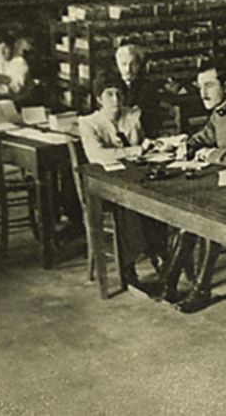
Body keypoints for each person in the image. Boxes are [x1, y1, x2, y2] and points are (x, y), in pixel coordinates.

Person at [157, 64, 226, 313]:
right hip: (224, 185)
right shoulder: (219, 112)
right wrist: (187, 145)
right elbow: (205, 135)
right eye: (200, 86)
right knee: (187, 222)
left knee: (208, 224)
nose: (202, 92)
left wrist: (211, 154)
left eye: (209, 85)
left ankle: (201, 291)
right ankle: (169, 284)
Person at [77, 71, 167, 291]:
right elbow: (97, 155)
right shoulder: (89, 123)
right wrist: (136, 149)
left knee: (157, 198)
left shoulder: (132, 115)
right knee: (127, 204)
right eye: (109, 94)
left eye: (119, 94)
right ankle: (129, 266)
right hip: (104, 187)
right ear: (99, 99)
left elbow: (144, 144)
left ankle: (161, 256)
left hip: (134, 178)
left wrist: (153, 145)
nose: (116, 100)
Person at [116, 42, 172, 137]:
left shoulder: (147, 87)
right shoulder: (112, 86)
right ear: (117, 64)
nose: (128, 70)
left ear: (139, 65)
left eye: (133, 65)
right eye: (124, 64)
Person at [0, 35, 32, 99]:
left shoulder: (20, 63)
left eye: (5, 48)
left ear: (12, 48)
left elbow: (14, 90)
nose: (1, 52)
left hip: (21, 102)